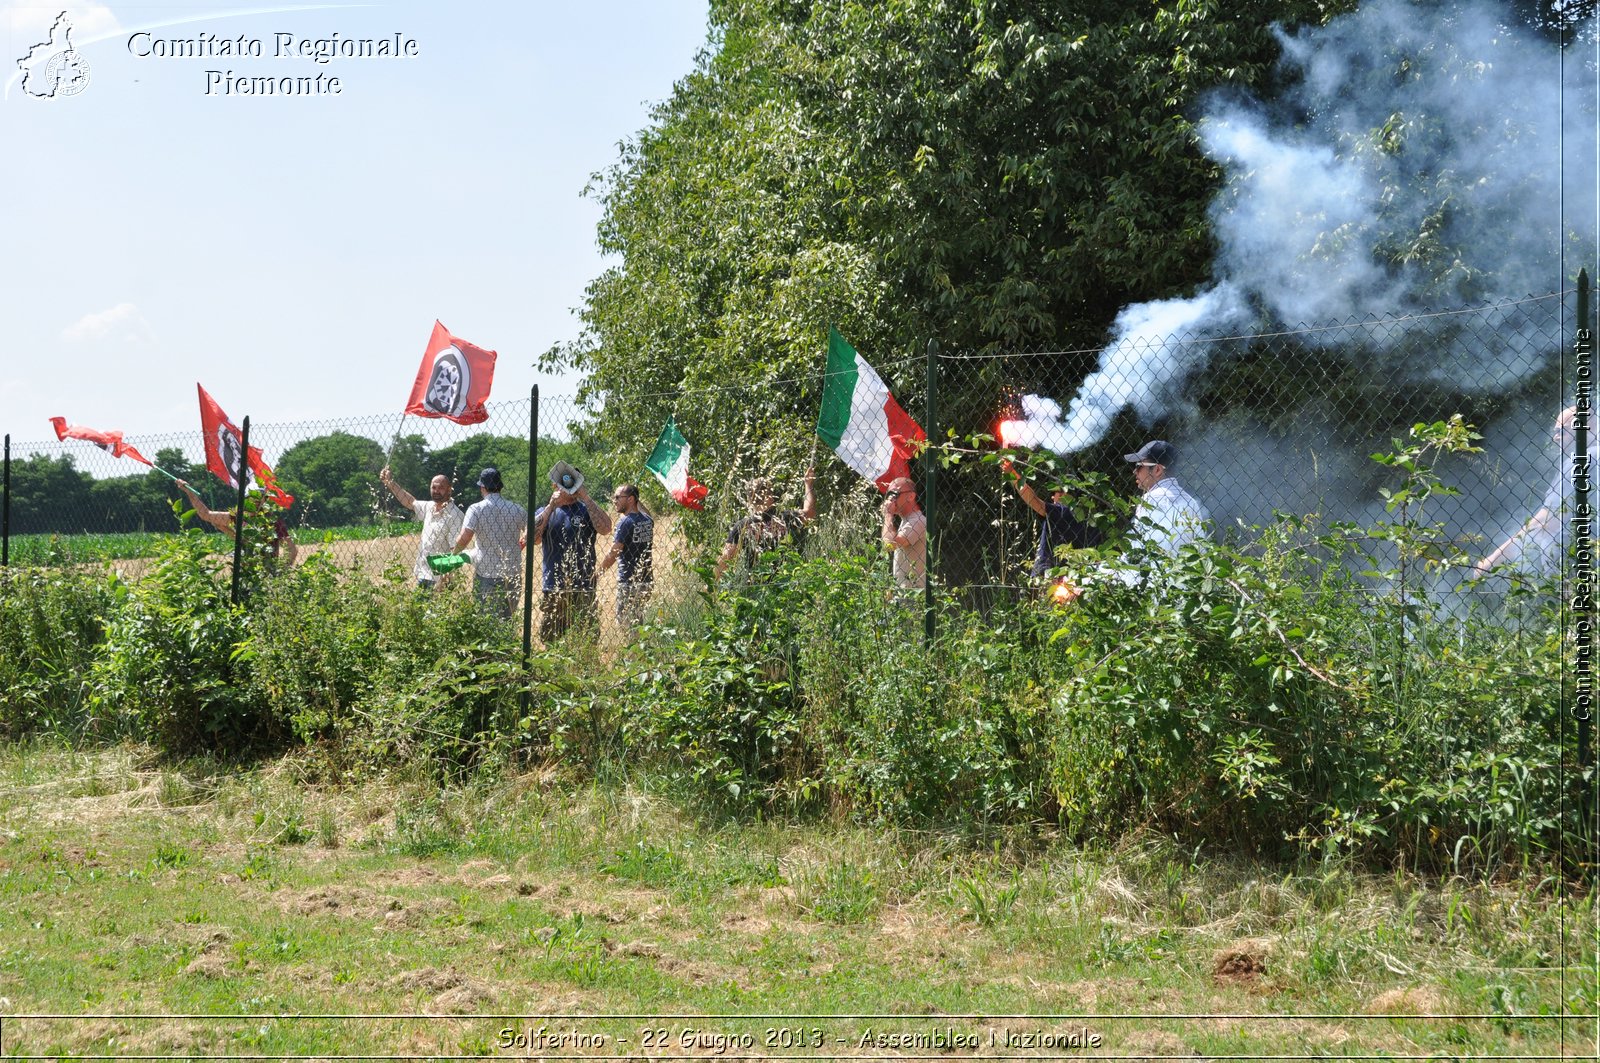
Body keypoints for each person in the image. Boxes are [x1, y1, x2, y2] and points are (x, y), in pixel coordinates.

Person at [1477, 405, 1596, 575]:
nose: (1555, 438)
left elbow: (1547, 520)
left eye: (1561, 431)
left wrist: (1493, 559)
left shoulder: (1581, 462)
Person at [528, 468, 612, 639]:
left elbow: (606, 528)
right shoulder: (545, 512)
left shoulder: (586, 509)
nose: (569, 488)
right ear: (555, 485)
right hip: (554, 585)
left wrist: (586, 498)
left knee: (586, 635)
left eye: (574, 483)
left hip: (583, 584)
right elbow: (533, 539)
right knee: (552, 637)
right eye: (563, 483)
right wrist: (551, 506)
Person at [1002, 458, 1103, 580]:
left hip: (1050, 574)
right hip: (1079, 577)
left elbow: (1033, 500)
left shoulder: (1061, 510)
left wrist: (1012, 473)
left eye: (1061, 492)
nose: (1059, 495)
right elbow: (1097, 558)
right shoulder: (1091, 519)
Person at [452, 467, 528, 620]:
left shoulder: (476, 509)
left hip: (487, 573)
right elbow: (530, 531)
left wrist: (453, 554)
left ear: (482, 487)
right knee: (507, 619)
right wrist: (521, 543)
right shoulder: (516, 508)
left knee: (486, 620)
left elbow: (465, 537)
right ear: (500, 487)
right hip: (512, 572)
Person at [714, 467, 817, 580]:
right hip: (785, 579)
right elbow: (809, 513)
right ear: (770, 496)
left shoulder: (743, 525)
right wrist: (808, 484)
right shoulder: (783, 518)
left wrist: (711, 584)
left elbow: (725, 558)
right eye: (770, 491)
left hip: (755, 582)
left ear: (749, 499)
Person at [175, 479, 297, 566]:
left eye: (260, 497)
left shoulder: (273, 521)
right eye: (252, 498)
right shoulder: (239, 517)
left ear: (265, 499)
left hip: (267, 568)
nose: (257, 501)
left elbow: (292, 550)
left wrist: (283, 571)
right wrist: (189, 492)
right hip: (245, 569)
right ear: (246, 499)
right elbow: (206, 515)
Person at [379, 466, 463, 591]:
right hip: (424, 573)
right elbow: (410, 502)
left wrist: (444, 579)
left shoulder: (455, 515)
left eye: (441, 488)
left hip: (440, 577)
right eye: (433, 487)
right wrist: (390, 483)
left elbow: (455, 551)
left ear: (449, 490)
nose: (436, 491)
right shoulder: (429, 507)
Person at [598, 483, 654, 630]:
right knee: (640, 622)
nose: (614, 500)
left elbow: (614, 552)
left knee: (626, 625)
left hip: (629, 582)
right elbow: (646, 513)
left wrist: (598, 573)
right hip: (646, 580)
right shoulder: (647, 521)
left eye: (617, 497)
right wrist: (636, 498)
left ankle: (632, 652)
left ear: (630, 500)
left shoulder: (625, 522)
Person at [880, 476, 926, 593]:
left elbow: (889, 545)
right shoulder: (906, 521)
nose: (891, 499)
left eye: (895, 494)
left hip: (914, 592)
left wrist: (888, 515)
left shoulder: (917, 521)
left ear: (911, 496)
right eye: (889, 494)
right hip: (904, 590)